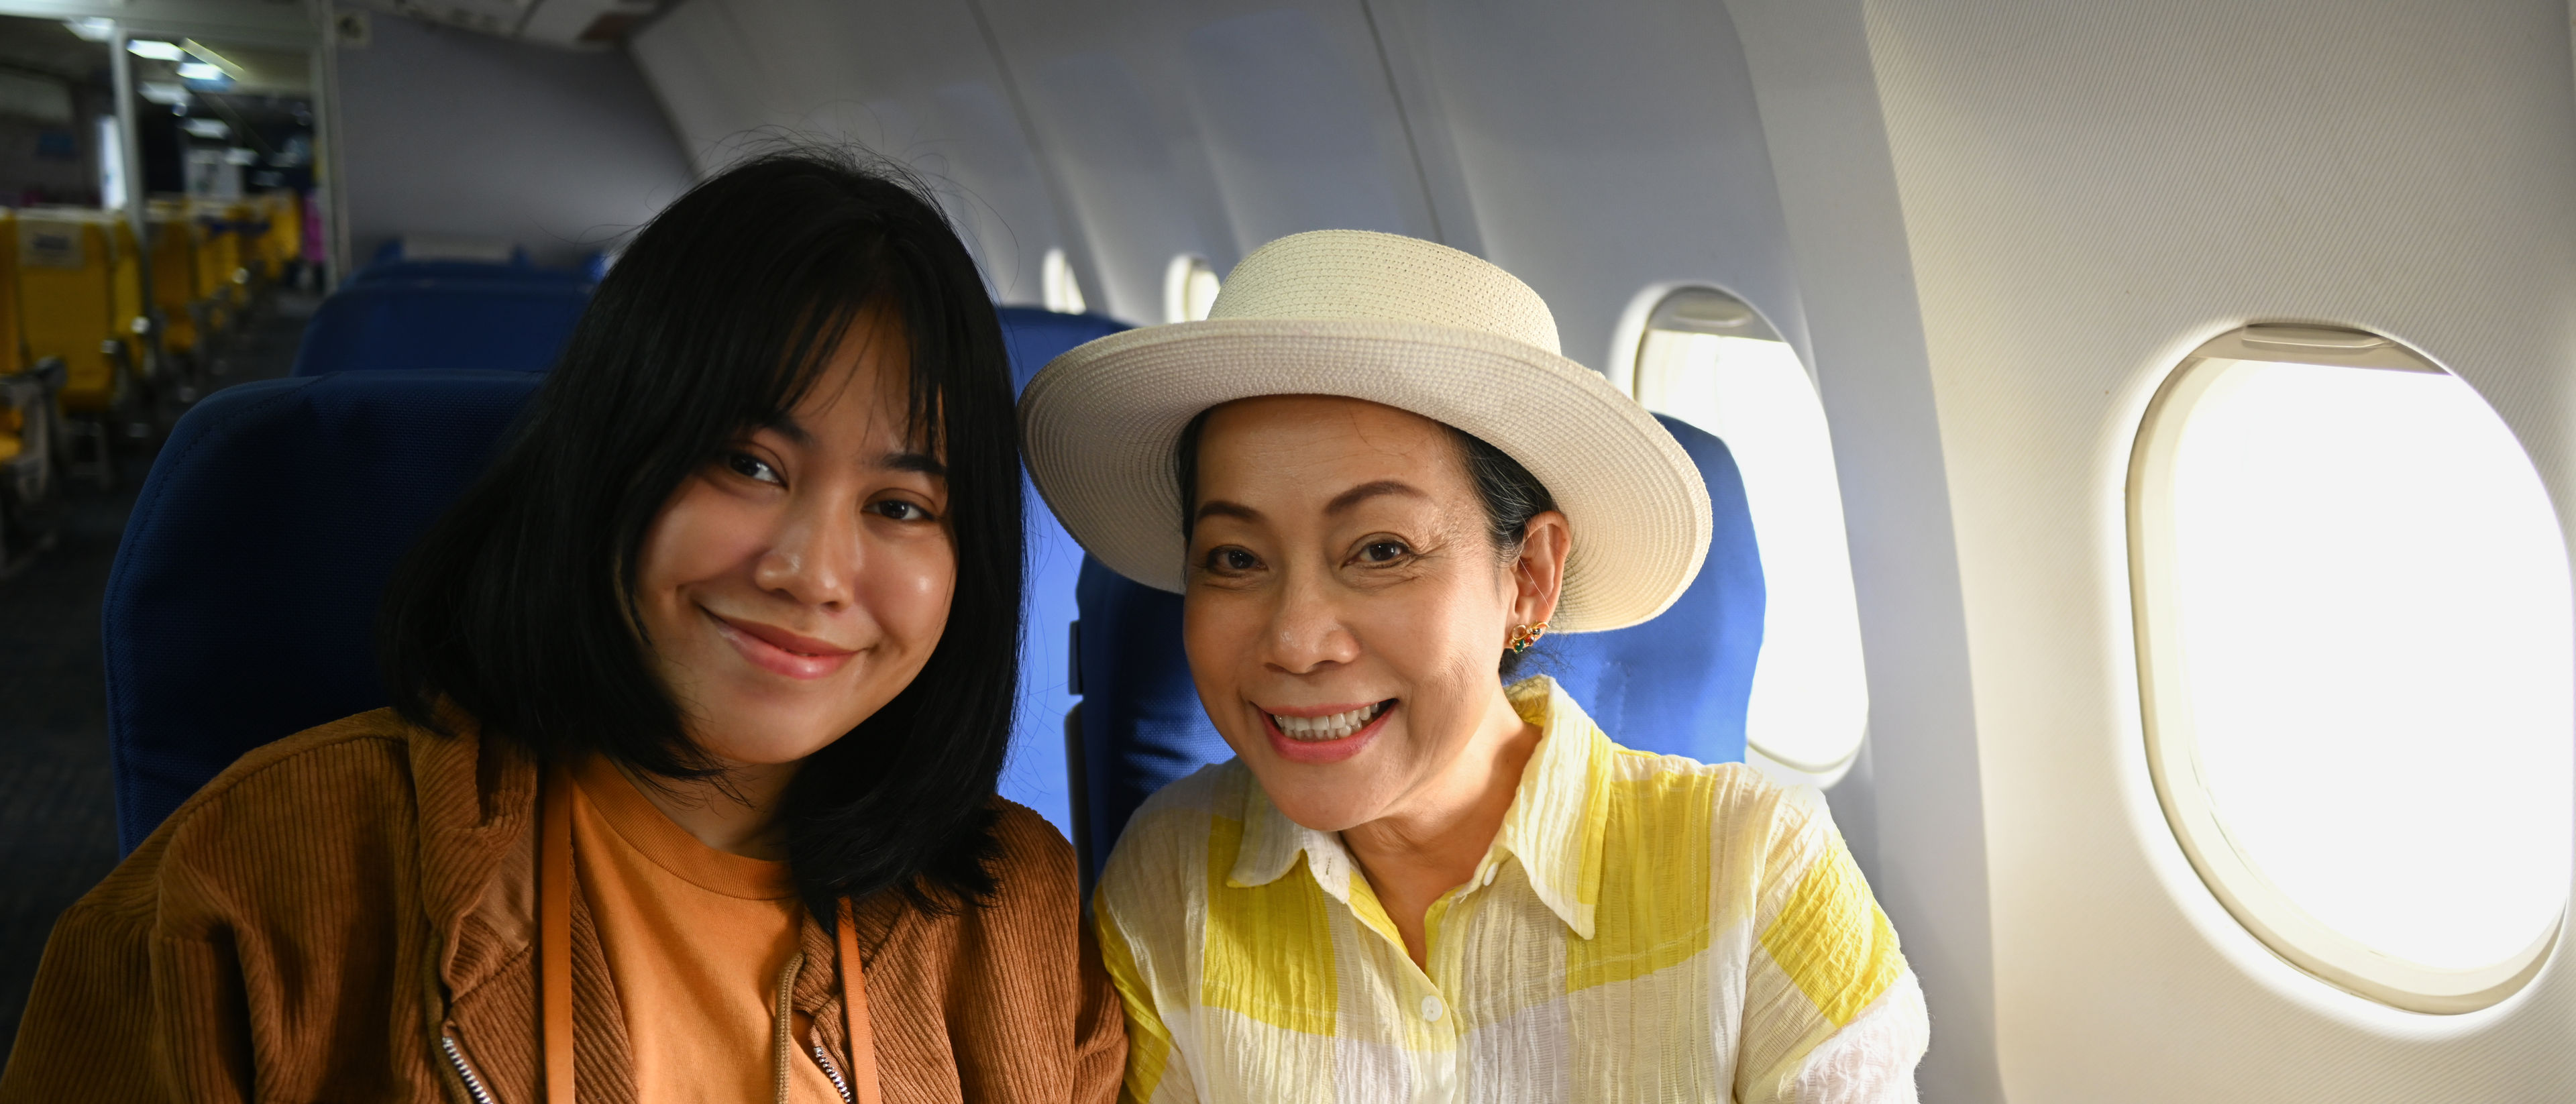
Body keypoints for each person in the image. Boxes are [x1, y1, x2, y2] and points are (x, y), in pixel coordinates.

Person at [1, 152, 1123, 1104]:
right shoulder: (263, 877)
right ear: (609, 461)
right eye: (746, 463)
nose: (812, 572)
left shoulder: (1013, 917)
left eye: (901, 506)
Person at [1019, 229, 1927, 1102]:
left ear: (1528, 578)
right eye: (1235, 557)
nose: (1296, 640)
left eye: (1380, 550)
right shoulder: (1170, 883)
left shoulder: (1760, 874)